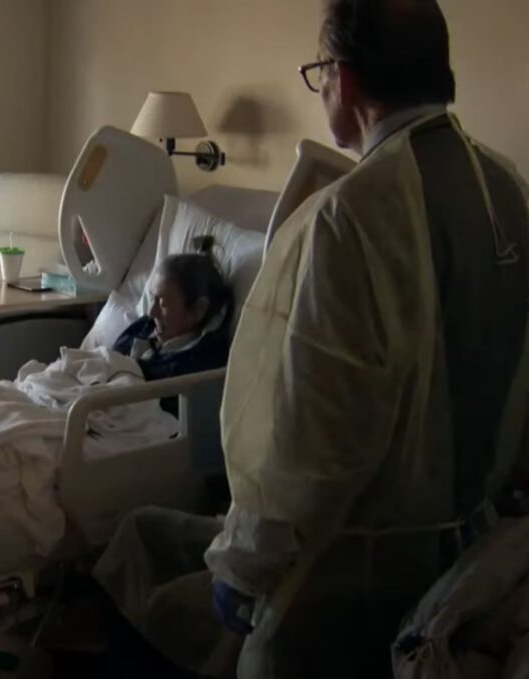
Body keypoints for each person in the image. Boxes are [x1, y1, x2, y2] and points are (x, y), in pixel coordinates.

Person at [203, 0, 529, 677]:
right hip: (475, 560)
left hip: (354, 578)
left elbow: (311, 444)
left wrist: (244, 566)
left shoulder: (350, 218)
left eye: (318, 72)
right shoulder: (510, 190)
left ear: (343, 83)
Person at [113, 236, 231, 391]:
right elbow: (114, 354)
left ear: (198, 310)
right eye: (153, 299)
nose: (152, 312)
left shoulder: (197, 364)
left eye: (162, 304)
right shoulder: (148, 327)